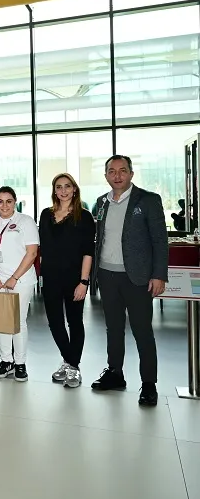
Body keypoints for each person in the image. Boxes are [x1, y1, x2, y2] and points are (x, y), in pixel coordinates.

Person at [90, 155, 167, 407]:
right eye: (112, 171)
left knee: (142, 331)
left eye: (122, 170)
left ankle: (149, 384)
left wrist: (159, 275)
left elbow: (160, 240)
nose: (117, 175)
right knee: (113, 328)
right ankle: (115, 373)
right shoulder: (101, 202)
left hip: (137, 278)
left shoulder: (148, 200)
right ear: (106, 176)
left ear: (131, 174)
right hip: (107, 275)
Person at [39, 173, 95, 388]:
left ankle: (73, 366)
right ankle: (69, 361)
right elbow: (43, 248)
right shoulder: (46, 215)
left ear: (74, 189)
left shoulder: (84, 216)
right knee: (54, 322)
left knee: (74, 322)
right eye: (59, 187)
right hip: (50, 278)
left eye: (67, 186)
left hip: (74, 279)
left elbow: (88, 252)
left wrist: (84, 282)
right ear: (54, 190)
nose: (63, 191)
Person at [0, 186, 39, 382]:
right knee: (1, 321)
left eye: (9, 201)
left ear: (15, 202)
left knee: (18, 321)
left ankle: (20, 363)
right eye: (0, 201)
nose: (5, 205)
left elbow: (31, 253)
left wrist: (14, 278)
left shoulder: (25, 221)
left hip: (20, 280)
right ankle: (6, 360)